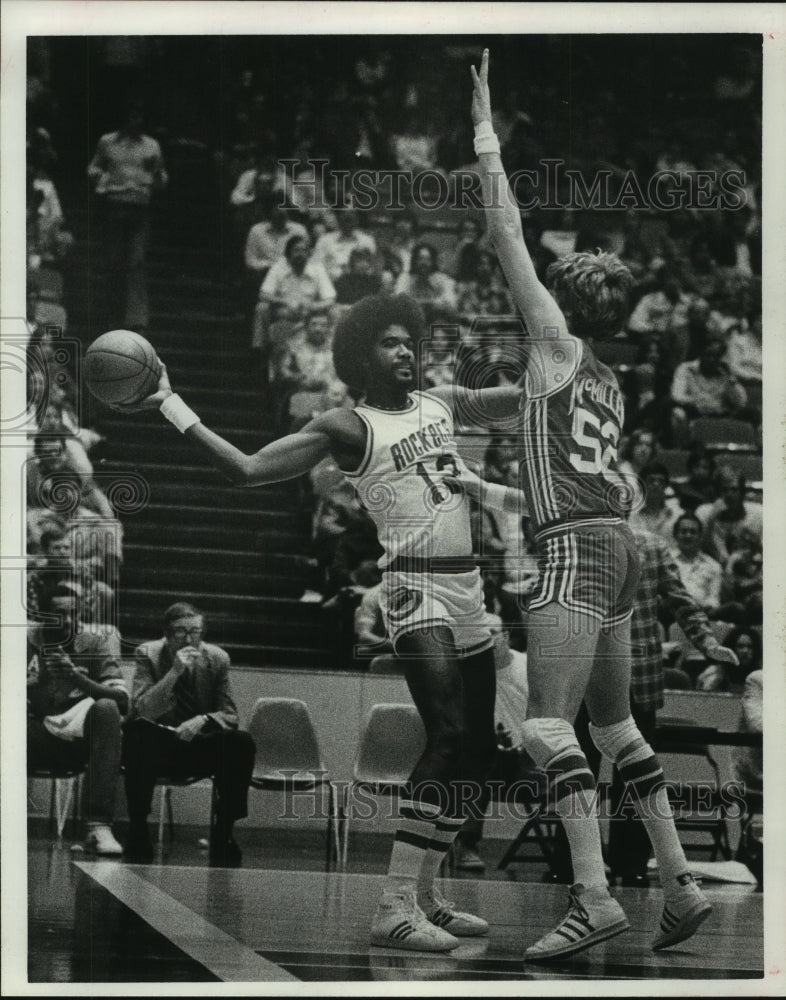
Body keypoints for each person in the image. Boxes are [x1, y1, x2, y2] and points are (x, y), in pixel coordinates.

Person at [118, 292, 527, 952]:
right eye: (389, 343)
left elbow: (521, 397)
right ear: (359, 356)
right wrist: (170, 401)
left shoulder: (443, 402)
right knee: (447, 733)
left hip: (468, 588)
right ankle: (393, 906)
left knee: (477, 752)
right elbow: (248, 470)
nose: (404, 351)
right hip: (414, 589)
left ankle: (427, 895)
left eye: (409, 341)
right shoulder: (347, 425)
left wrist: (568, 359)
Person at [471, 49, 712, 960]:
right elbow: (543, 443)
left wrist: (486, 136)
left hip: (575, 547)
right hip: (621, 546)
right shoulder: (603, 380)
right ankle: (682, 880)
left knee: (543, 723)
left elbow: (504, 233)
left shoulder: (554, 343)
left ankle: (596, 895)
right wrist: (473, 452)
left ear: (562, 300)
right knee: (614, 726)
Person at [122, 602, 256, 867]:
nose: (188, 638)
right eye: (180, 632)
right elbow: (142, 709)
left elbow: (230, 716)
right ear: (167, 633)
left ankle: (224, 830)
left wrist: (203, 720)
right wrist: (174, 672)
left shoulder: (217, 658)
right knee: (137, 733)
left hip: (196, 744)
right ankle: (138, 828)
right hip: (158, 742)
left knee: (241, 742)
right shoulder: (148, 653)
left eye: (195, 631)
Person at [27, 584, 128, 855]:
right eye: (59, 614)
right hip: (32, 735)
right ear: (42, 614)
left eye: (74, 612)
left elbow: (122, 700)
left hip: (79, 740)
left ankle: (98, 826)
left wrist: (76, 678)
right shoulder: (22, 639)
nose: (69, 620)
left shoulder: (97, 640)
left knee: (107, 709)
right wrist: (34, 682)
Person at [87, 97, 168, 333]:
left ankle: (136, 319)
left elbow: (162, 179)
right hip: (114, 205)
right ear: (124, 118)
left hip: (140, 208)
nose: (135, 121)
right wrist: (100, 179)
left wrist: (156, 174)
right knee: (113, 262)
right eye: (131, 116)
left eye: (139, 116)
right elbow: (93, 168)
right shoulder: (107, 142)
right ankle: (112, 315)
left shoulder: (152, 146)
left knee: (137, 262)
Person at [670, 512, 723, 613]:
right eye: (683, 531)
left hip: (702, 614)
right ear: (675, 535)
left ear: (700, 536)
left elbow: (714, 599)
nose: (688, 535)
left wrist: (704, 607)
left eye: (693, 532)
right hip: (671, 614)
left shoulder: (713, 566)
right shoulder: (665, 562)